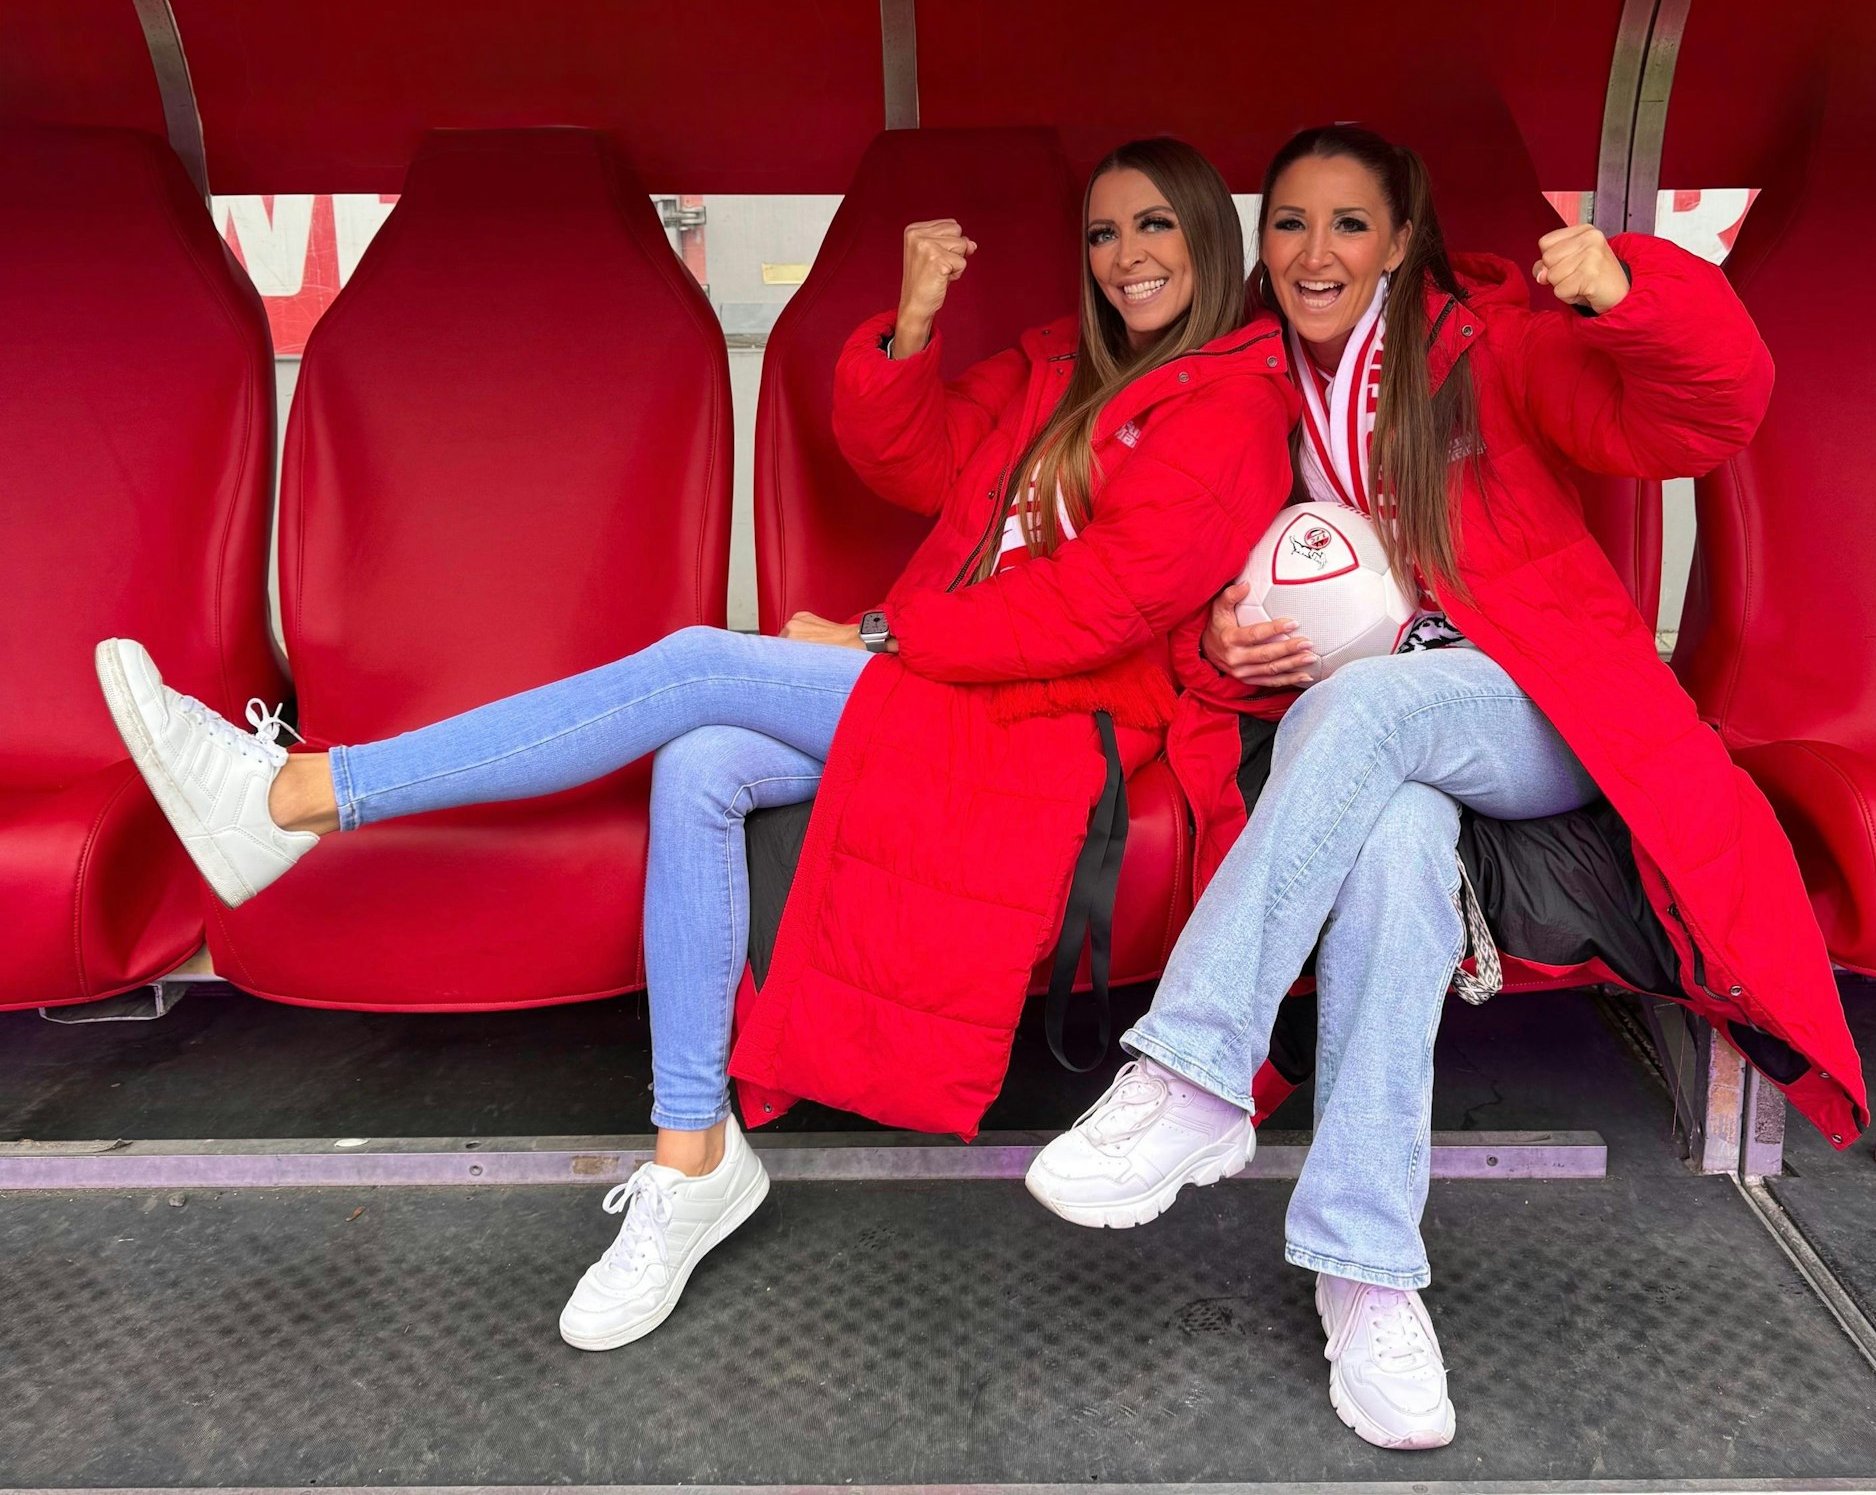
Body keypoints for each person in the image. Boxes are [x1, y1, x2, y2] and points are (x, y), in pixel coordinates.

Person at [94, 137, 1298, 1354]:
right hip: (959, 685)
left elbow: (1102, 606)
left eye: (1154, 225)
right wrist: (912, 324)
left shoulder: (1231, 407)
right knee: (701, 761)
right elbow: (906, 459)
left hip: (1055, 716)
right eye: (1103, 233)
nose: (1126, 256)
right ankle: (694, 1157)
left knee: (692, 666)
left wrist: (881, 636)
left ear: (1209, 234)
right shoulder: (1056, 367)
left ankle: (302, 792)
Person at [1024, 124, 1867, 1451]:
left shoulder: (1492, 349)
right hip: (1365, 739)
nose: (1314, 253)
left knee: (1369, 707)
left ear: (1401, 240)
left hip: (1535, 710)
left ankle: (1193, 1070)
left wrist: (1630, 289)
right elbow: (1170, 581)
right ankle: (1365, 1273)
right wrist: (1219, 641)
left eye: (1348, 224)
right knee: (1396, 845)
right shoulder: (1240, 383)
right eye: (1289, 223)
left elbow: (1708, 414)